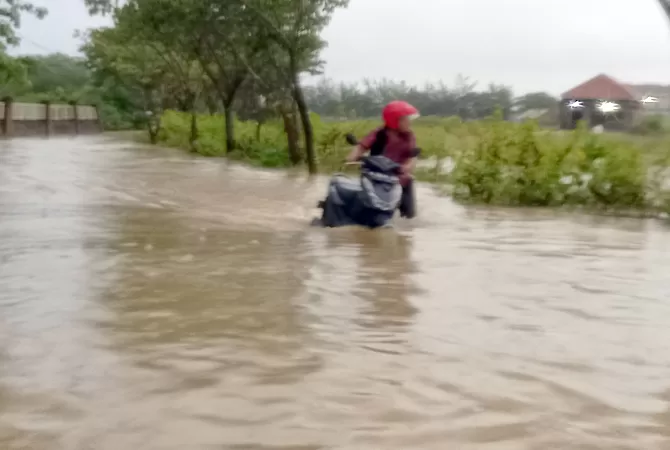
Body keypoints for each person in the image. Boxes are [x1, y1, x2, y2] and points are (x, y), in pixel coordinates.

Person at [345, 100, 420, 218]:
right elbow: (361, 147)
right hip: (376, 175)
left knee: (409, 217)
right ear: (395, 120)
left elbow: (412, 157)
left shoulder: (409, 136)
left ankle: (407, 219)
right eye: (406, 119)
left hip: (399, 177)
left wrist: (408, 167)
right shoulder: (379, 134)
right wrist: (351, 158)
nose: (409, 122)